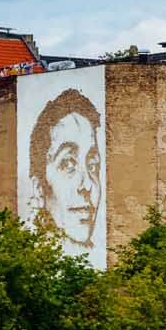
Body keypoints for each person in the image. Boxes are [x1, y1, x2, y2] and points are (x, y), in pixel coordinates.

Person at [27, 87, 103, 258]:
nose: (87, 185)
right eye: (68, 163)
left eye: (92, 166)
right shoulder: (26, 257)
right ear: (39, 187)